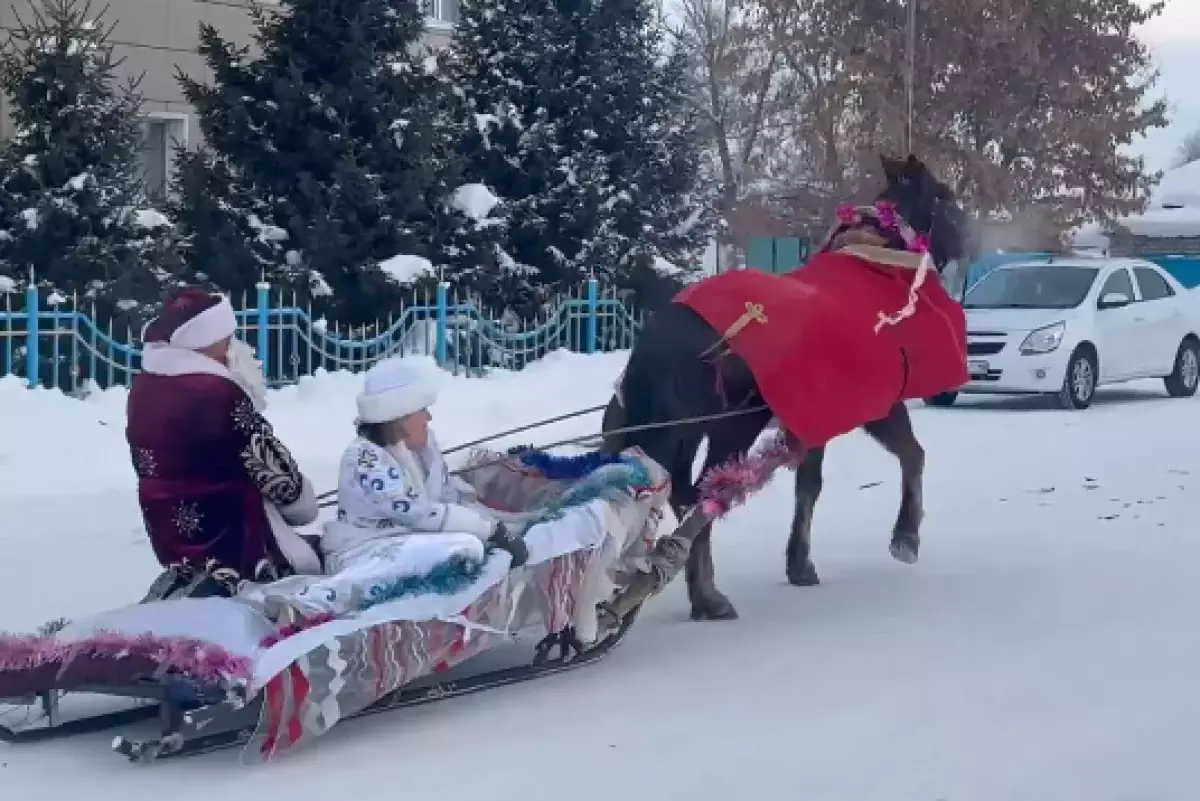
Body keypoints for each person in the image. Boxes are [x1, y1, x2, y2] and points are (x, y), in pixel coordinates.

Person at [127, 288, 321, 598]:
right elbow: (278, 477)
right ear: (205, 341)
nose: (236, 347)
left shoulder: (145, 386)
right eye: (228, 339)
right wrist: (302, 501)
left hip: (174, 542)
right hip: (236, 544)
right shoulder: (216, 392)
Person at [321, 356, 529, 574]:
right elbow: (418, 513)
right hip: (361, 550)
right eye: (422, 410)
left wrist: (504, 525)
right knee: (466, 547)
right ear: (400, 417)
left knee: (473, 545)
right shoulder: (365, 458)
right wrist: (491, 530)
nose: (429, 417)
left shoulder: (424, 446)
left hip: (409, 541)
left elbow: (448, 498)